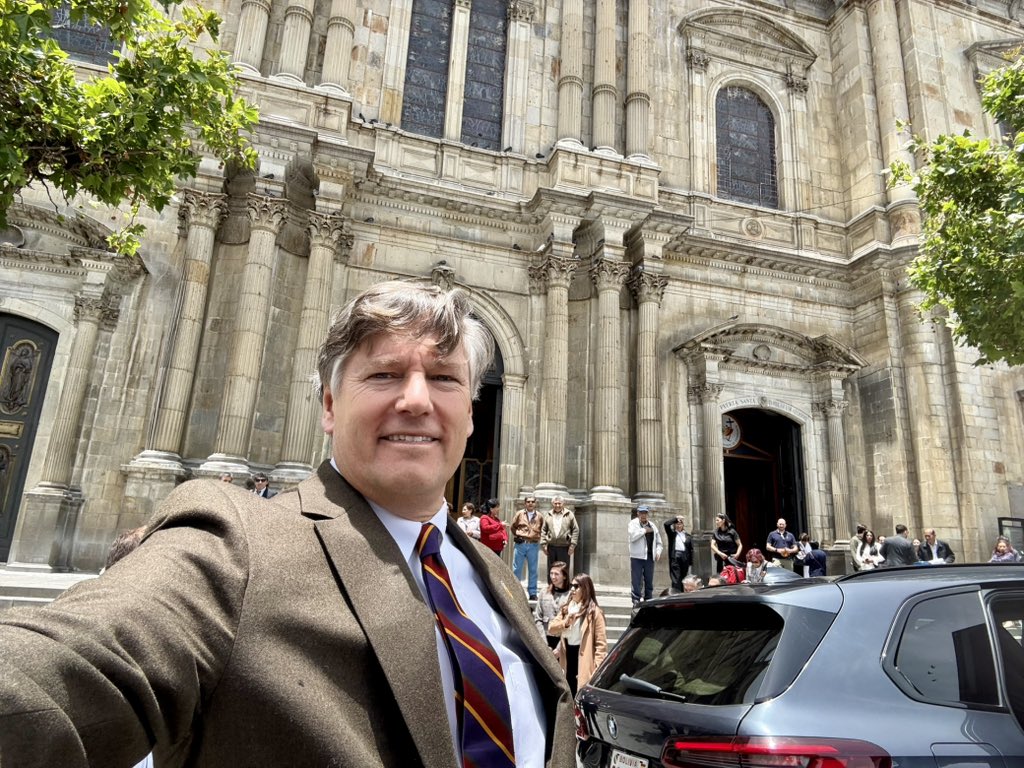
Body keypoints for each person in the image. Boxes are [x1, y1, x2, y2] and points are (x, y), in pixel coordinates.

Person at [0, 281, 574, 768]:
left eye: (445, 378)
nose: (417, 400)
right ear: (329, 406)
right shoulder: (233, 544)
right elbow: (66, 671)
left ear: (471, 413)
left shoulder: (497, 581)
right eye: (384, 374)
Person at [548, 573, 607, 697]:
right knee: (567, 694)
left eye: (576, 586)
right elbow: (551, 628)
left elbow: (601, 646)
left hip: (584, 660)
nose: (572, 589)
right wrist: (566, 623)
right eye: (571, 586)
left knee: (580, 695)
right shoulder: (567, 609)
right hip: (567, 657)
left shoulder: (595, 613)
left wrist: (596, 671)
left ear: (585, 589)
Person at [627, 505, 663, 606]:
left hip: (649, 557)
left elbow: (659, 542)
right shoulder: (633, 524)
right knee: (636, 580)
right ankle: (636, 600)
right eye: (641, 513)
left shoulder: (653, 525)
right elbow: (633, 537)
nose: (643, 515)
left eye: (645, 513)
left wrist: (658, 552)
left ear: (648, 514)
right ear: (638, 513)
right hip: (637, 557)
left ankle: (648, 600)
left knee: (649, 580)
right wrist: (644, 530)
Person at [511, 496, 544, 599]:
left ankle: (532, 593)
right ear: (525, 503)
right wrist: (519, 535)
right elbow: (513, 527)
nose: (530, 503)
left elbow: (543, 528)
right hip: (520, 544)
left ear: (535, 503)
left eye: (532, 502)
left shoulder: (539, 516)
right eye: (528, 502)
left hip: (533, 545)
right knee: (517, 568)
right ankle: (515, 591)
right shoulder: (519, 514)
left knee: (533, 569)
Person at [534, 561, 572, 649]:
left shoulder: (571, 594)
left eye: (556, 574)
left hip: (564, 641)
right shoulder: (544, 592)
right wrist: (544, 643)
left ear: (564, 576)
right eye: (551, 573)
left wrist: (560, 648)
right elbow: (538, 619)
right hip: (546, 639)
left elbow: (571, 623)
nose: (553, 577)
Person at [541, 495, 579, 571]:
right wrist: (543, 544)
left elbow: (575, 529)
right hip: (551, 547)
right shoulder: (548, 515)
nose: (557, 505)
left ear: (563, 503)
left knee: (563, 570)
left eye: (559, 503)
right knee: (551, 570)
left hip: (564, 548)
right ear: (552, 504)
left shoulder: (569, 514)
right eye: (555, 503)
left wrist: (572, 545)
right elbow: (543, 530)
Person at [663, 515, 693, 593]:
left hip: (685, 558)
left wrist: (690, 562)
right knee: (676, 578)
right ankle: (676, 593)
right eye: (677, 524)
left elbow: (691, 549)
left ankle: (683, 593)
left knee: (684, 578)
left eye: (680, 524)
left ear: (683, 525)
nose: (678, 526)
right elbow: (666, 524)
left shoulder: (688, 536)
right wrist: (676, 519)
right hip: (675, 557)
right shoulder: (672, 534)